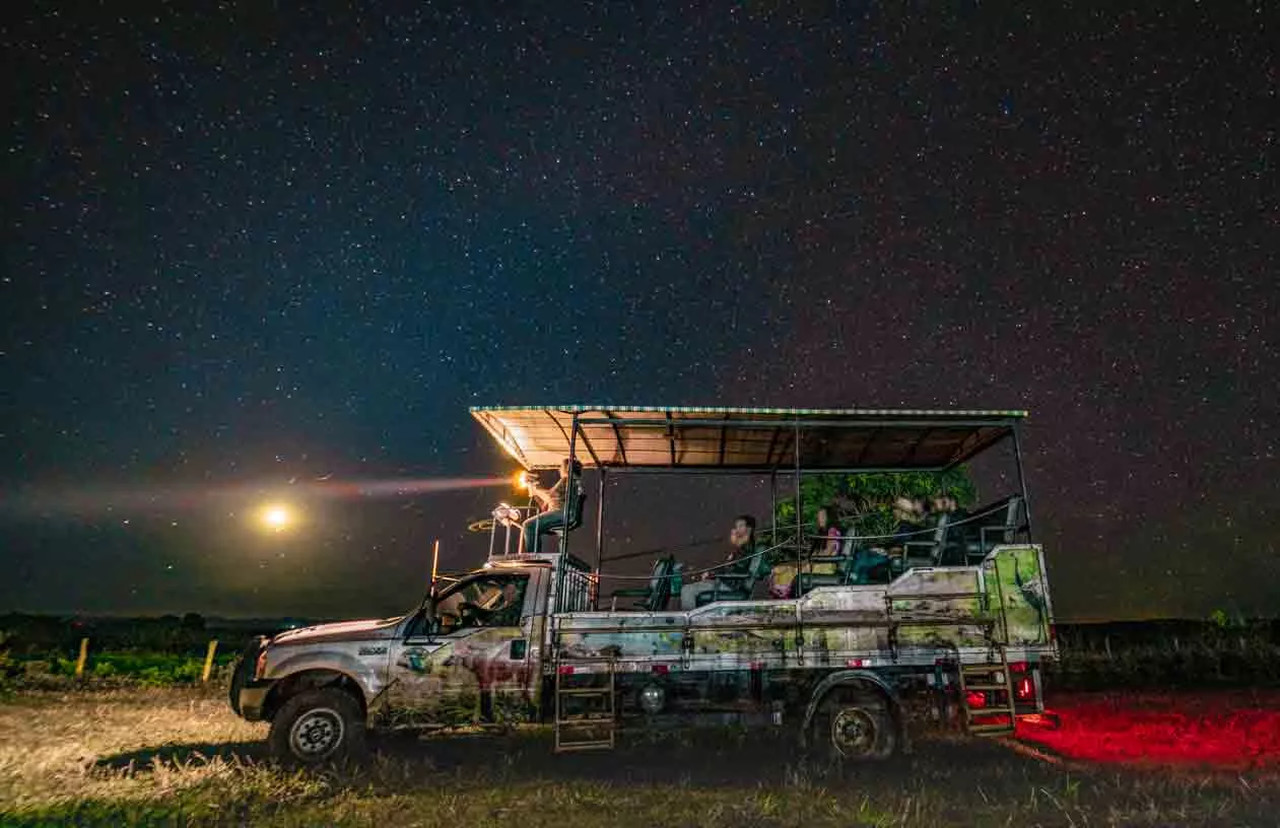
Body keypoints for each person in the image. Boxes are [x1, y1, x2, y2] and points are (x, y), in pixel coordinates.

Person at [680, 515, 758, 610]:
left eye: (740, 526)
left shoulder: (745, 549)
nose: (736, 529)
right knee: (690, 581)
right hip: (726, 581)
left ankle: (688, 620)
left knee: (687, 590)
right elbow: (726, 564)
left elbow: (737, 569)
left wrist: (714, 573)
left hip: (729, 584)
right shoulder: (742, 547)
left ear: (749, 529)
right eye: (736, 526)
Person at [520, 457, 582, 555]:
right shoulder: (573, 481)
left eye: (561, 467)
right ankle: (534, 555)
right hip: (564, 512)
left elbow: (550, 495)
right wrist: (534, 490)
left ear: (567, 468)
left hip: (561, 513)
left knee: (528, 526)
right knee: (534, 527)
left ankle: (532, 556)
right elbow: (547, 502)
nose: (559, 469)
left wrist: (534, 487)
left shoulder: (567, 479)